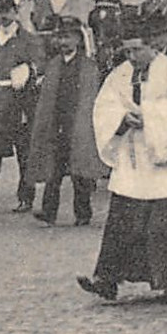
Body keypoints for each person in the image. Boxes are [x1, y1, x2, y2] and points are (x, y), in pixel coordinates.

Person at [78, 15, 167, 302]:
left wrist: (151, 116)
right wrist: (121, 118)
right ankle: (108, 278)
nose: (131, 56)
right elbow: (105, 104)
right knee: (123, 219)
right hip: (133, 157)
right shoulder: (121, 74)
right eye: (127, 51)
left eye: (136, 50)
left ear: (154, 46)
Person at [25, 17, 104, 225]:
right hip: (56, 126)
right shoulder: (54, 65)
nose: (63, 42)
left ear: (78, 39)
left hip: (77, 125)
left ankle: (83, 214)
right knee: (54, 172)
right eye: (60, 37)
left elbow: (90, 98)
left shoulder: (87, 66)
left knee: (80, 174)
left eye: (67, 37)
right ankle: (49, 211)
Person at [0, 0, 41, 214]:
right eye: (0, 11)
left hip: (19, 102)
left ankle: (25, 197)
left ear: (16, 12)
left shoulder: (27, 39)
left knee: (23, 152)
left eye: (8, 11)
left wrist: (28, 70)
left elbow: (40, 65)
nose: (4, 16)